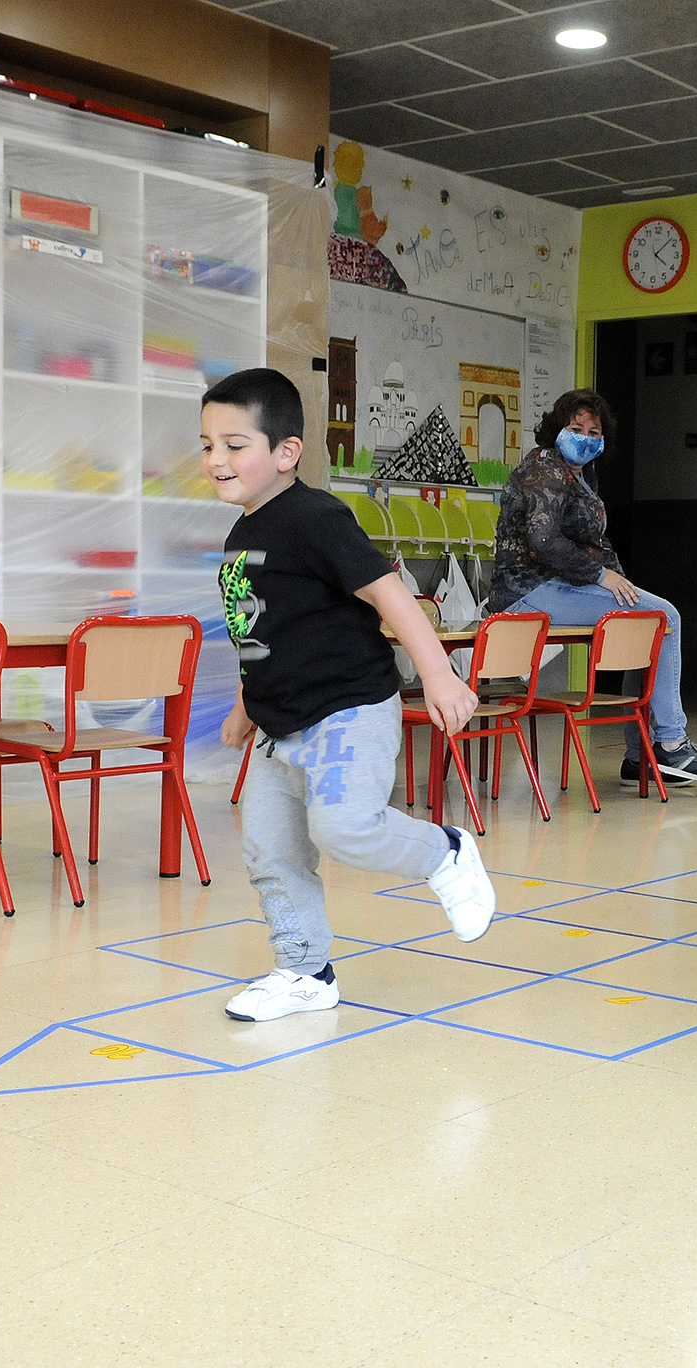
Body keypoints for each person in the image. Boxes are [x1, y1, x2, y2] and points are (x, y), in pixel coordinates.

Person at [209, 368, 497, 1022]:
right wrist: (242, 707)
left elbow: (389, 593)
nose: (217, 460)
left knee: (343, 827)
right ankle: (305, 971)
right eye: (208, 446)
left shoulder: (314, 516)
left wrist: (441, 674)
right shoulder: (240, 537)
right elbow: (257, 630)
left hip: (347, 712)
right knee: (270, 849)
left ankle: (444, 853)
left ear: (286, 453)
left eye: (234, 444)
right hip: (277, 728)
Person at [488, 389, 697, 786]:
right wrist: (603, 578)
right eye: (575, 427)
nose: (584, 436)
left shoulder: (583, 476)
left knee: (645, 618)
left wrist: (622, 582)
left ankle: (640, 759)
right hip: (526, 590)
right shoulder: (545, 467)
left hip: (561, 586)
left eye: (593, 430)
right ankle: (670, 743)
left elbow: (596, 543)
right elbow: (544, 540)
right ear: (556, 430)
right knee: (663, 616)